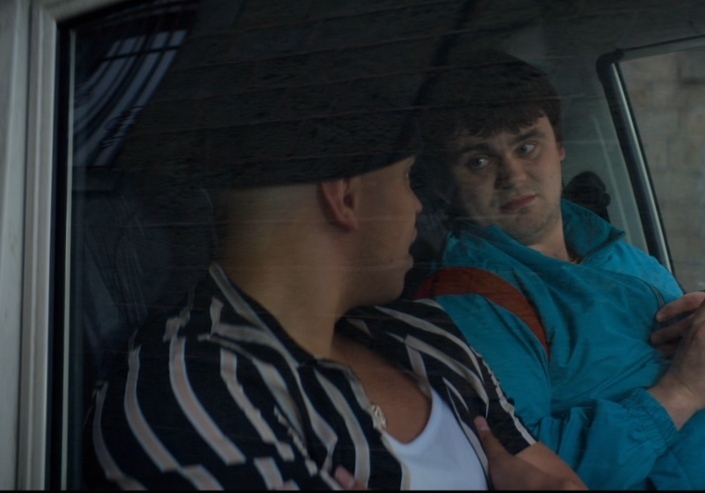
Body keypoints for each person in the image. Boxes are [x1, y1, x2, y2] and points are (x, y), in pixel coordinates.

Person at [82, 2, 585, 490]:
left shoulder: (427, 334)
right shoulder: (187, 393)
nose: (418, 205)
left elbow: (560, 483)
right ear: (344, 196)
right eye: (407, 178)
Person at [412, 50, 705, 490]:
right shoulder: (471, 299)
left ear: (560, 148)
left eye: (527, 147)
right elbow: (532, 471)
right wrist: (680, 392)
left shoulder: (612, 249)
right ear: (448, 182)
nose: (513, 176)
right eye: (479, 161)